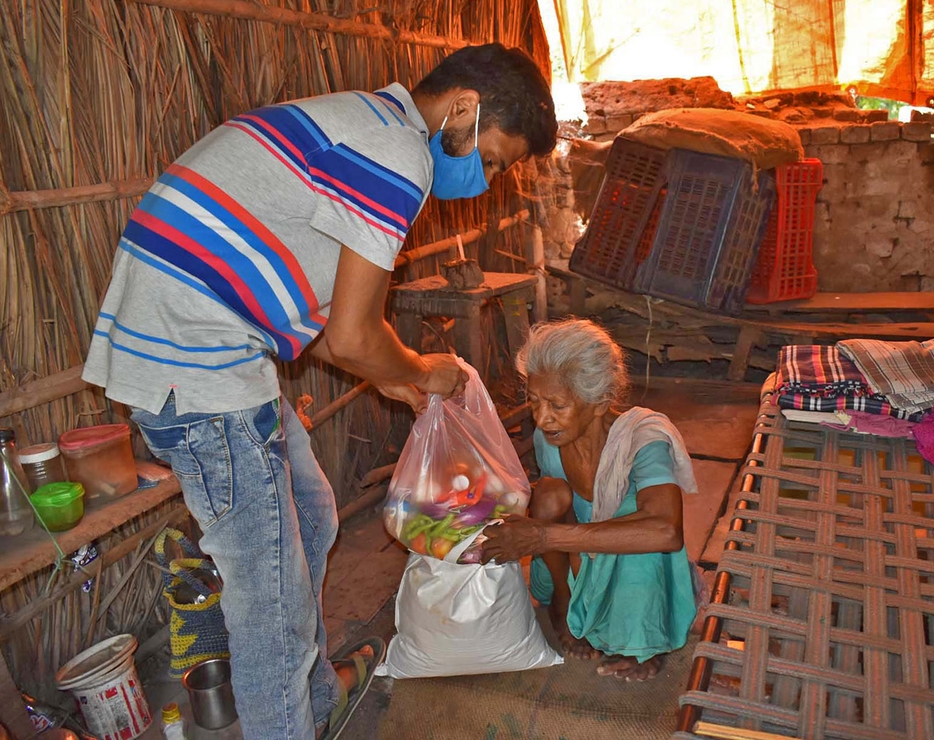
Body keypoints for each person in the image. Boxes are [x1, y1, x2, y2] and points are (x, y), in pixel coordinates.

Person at [81, 44, 556, 740]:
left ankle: (315, 699)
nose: (483, 179)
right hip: (199, 370)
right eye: (492, 158)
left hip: (211, 353)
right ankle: (288, 720)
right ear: (463, 107)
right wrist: (420, 370)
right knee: (269, 603)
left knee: (309, 513)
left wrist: (398, 378)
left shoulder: (367, 123)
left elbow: (344, 328)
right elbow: (350, 338)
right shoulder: (399, 154)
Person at [480, 319, 698, 682]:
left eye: (556, 405)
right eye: (534, 401)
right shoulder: (548, 438)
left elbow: (665, 531)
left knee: (637, 520)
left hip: (631, 567)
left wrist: (541, 538)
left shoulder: (643, 438)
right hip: (571, 564)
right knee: (549, 493)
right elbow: (553, 510)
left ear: (599, 404)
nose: (541, 417)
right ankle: (563, 603)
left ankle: (641, 638)